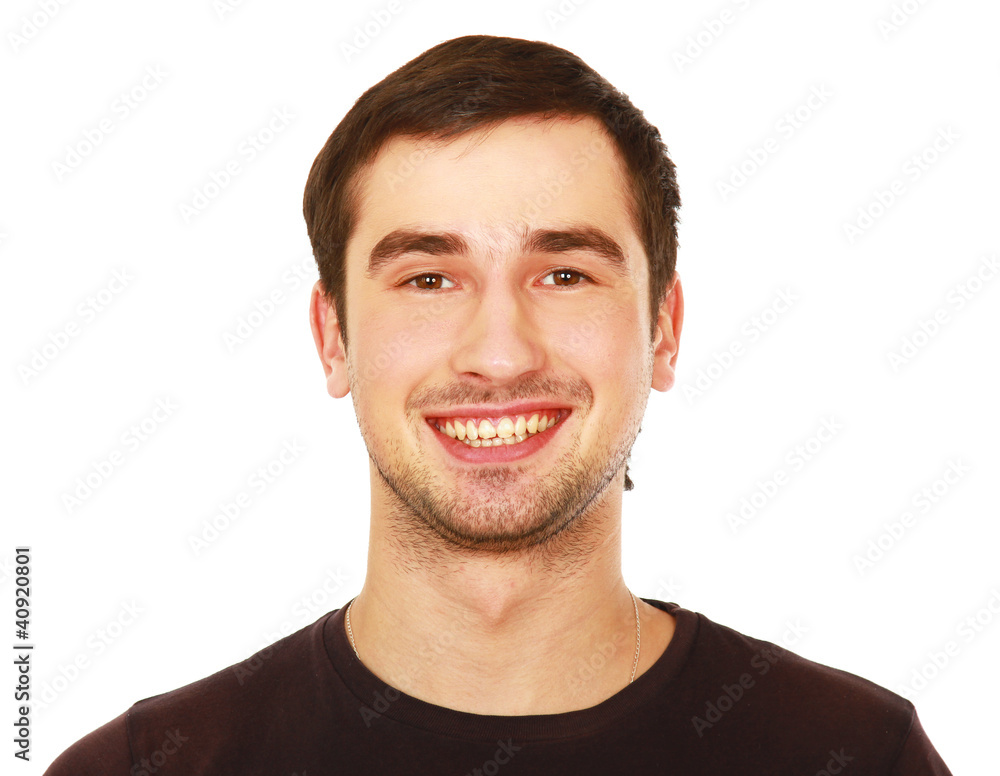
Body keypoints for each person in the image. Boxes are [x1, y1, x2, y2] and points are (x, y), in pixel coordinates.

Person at [45, 34, 952, 775]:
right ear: (333, 338)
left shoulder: (856, 755)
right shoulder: (141, 769)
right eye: (430, 277)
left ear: (663, 329)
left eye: (564, 272)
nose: (499, 352)